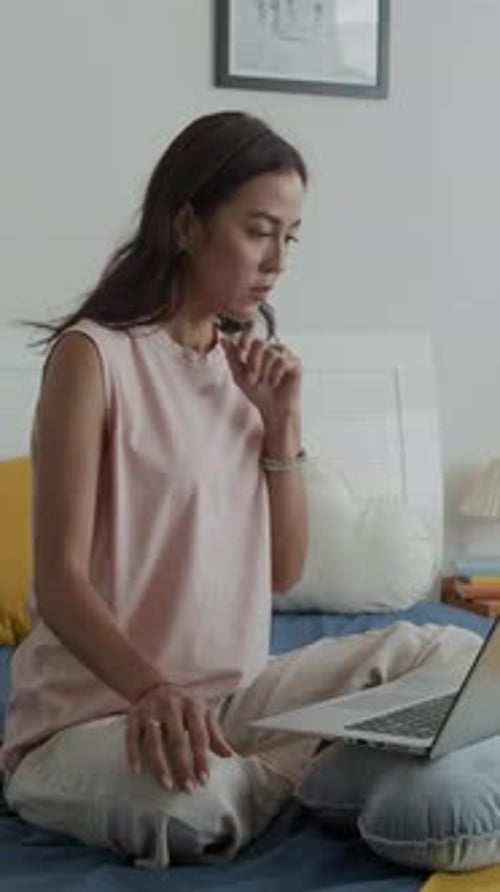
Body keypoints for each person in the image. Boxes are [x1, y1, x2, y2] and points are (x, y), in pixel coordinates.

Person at [0, 110, 480, 869]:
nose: (278, 260)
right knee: (198, 804)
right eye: (259, 230)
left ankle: (309, 768)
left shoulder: (249, 374)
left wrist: (280, 427)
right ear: (187, 224)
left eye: (290, 236)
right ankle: (327, 772)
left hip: (233, 702)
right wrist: (153, 690)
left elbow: (282, 571)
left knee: (453, 648)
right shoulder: (92, 359)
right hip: (94, 721)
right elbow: (58, 584)